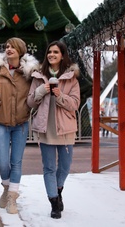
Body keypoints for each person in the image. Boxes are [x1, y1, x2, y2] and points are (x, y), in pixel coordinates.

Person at [0, 37, 39, 214]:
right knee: (2, 161)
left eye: (12, 47)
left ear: (20, 50)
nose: (8, 49)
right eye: (6, 46)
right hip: (0, 122)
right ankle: (6, 188)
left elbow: (35, 95)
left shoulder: (29, 73)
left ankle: (12, 197)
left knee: (16, 161)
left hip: (21, 123)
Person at [27, 41, 80, 219]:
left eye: (55, 52)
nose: (51, 55)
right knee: (49, 167)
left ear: (62, 55)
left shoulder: (71, 78)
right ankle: (54, 202)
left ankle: (58, 190)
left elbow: (75, 104)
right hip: (45, 128)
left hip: (65, 129)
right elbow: (30, 102)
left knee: (64, 167)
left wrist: (60, 96)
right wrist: (42, 90)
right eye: (49, 52)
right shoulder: (38, 76)